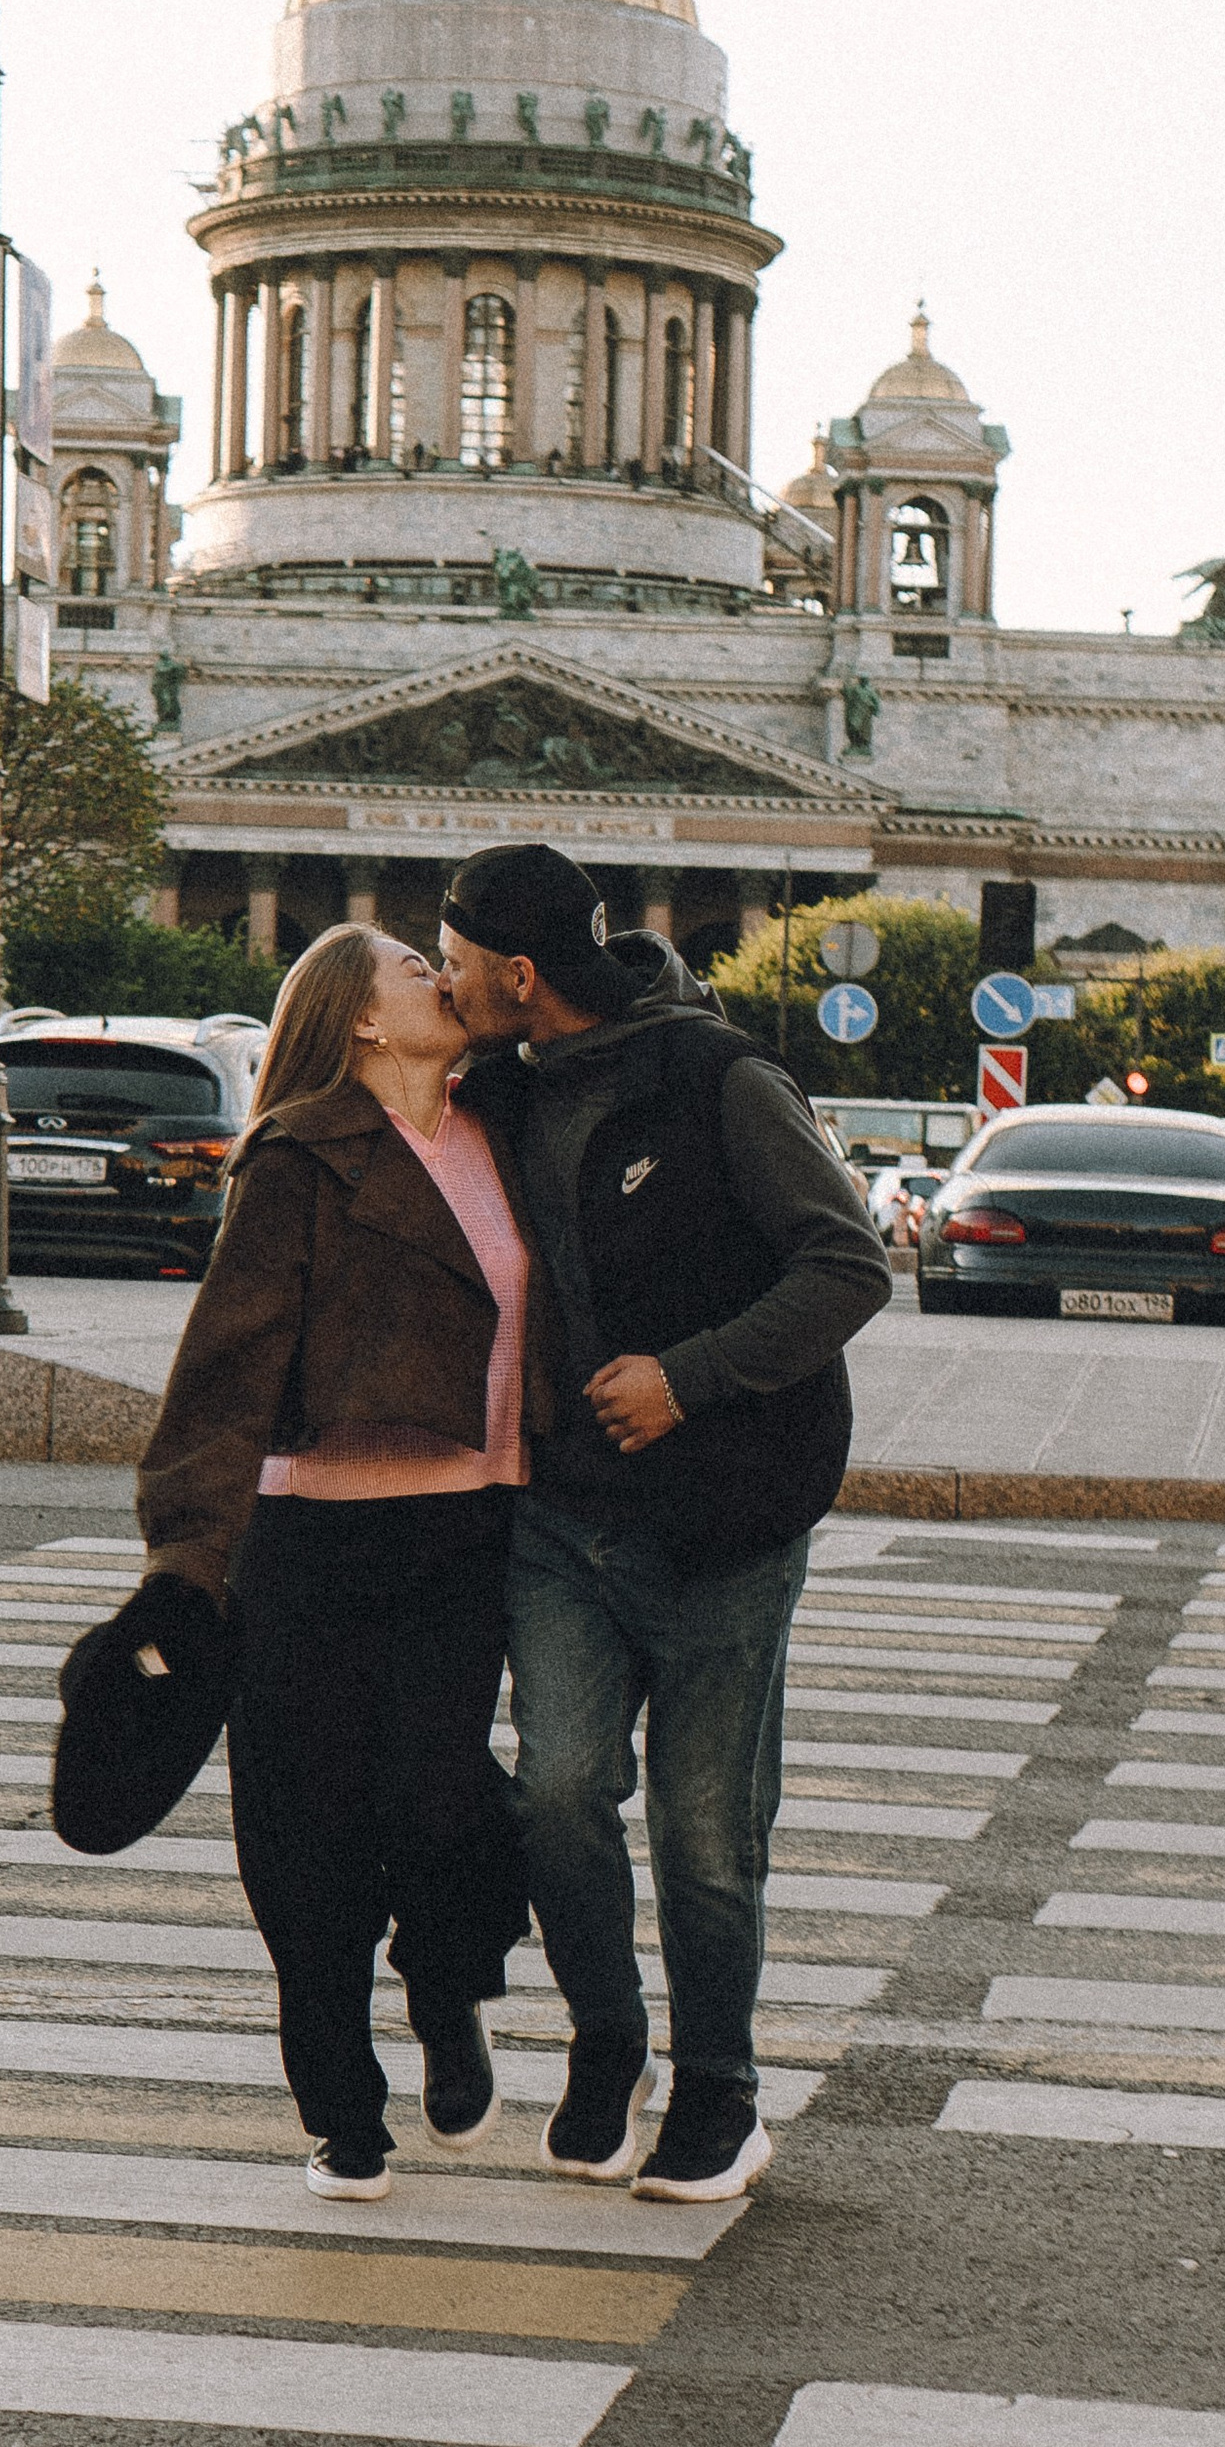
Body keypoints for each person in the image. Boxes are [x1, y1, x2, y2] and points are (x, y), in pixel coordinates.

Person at [439, 845, 893, 2204]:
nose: (446, 986)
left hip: (723, 1519)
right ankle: (609, 2041)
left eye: (456, 965)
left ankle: (720, 2093)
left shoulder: (721, 1080)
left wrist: (687, 1378)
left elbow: (849, 1265)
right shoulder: (500, 1088)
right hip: (563, 1516)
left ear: (523, 974)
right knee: (560, 1794)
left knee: (705, 1832)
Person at [137, 925, 546, 2200]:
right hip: (311, 1541)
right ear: (361, 1019)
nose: (442, 976)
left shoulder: (504, 1129)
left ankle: (446, 1987)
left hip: (467, 1530)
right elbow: (227, 1364)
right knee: (303, 1836)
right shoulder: (302, 1155)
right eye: (413, 968)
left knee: (441, 1800)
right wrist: (185, 1553)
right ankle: (341, 2110)